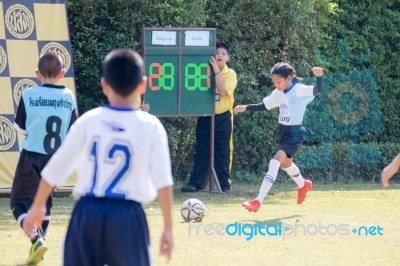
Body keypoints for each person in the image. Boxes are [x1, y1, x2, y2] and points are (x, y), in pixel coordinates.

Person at [22, 48, 174, 266]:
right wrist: (168, 227)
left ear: (104, 85)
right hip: (128, 216)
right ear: (142, 85)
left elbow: (55, 169)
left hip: (87, 212)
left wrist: (38, 205)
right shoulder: (151, 126)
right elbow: (163, 181)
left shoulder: (89, 121)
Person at [9, 52, 77, 265]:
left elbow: (20, 128)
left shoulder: (29, 95)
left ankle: (35, 239)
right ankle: (41, 243)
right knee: (45, 201)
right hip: (56, 159)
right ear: (62, 74)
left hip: (32, 157)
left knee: (18, 202)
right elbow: (73, 129)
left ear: (37, 73)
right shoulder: (68, 96)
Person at [234, 63, 323, 212]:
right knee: (286, 164)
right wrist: (246, 107)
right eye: (274, 82)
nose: (276, 85)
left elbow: (317, 89)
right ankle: (303, 185)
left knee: (275, 161)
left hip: (295, 133)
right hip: (283, 132)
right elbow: (265, 105)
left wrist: (319, 77)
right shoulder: (278, 92)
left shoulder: (299, 90)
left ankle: (258, 201)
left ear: (289, 78)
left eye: (279, 82)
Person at [181, 43, 238, 193]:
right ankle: (196, 183)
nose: (219, 56)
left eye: (223, 54)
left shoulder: (230, 74)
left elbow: (223, 91)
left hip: (223, 117)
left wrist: (216, 71)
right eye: (217, 53)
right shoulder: (203, 72)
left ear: (228, 57)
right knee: (202, 151)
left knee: (223, 151)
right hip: (205, 116)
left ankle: (224, 185)